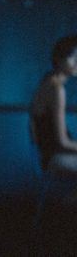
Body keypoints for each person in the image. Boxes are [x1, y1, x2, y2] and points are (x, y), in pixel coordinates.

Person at [30, 36, 77, 177]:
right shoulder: (56, 89)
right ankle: (68, 201)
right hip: (55, 158)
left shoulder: (47, 82)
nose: (76, 62)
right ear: (58, 59)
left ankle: (69, 200)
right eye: (73, 56)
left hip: (49, 155)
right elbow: (62, 142)